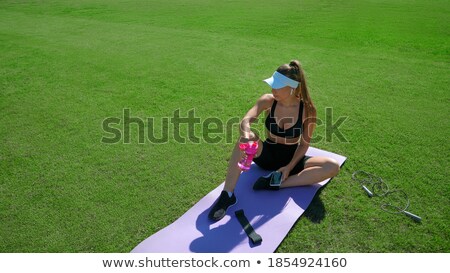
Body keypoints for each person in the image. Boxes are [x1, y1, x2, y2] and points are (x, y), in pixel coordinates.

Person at [208, 60, 340, 221]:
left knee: (332, 166)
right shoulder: (268, 101)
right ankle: (227, 195)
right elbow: (246, 120)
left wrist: (288, 167)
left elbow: (304, 144)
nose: (272, 89)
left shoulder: (308, 110)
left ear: (292, 87)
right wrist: (246, 132)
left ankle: (274, 183)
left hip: (291, 160)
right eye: (272, 85)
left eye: (277, 86)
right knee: (245, 139)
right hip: (267, 156)